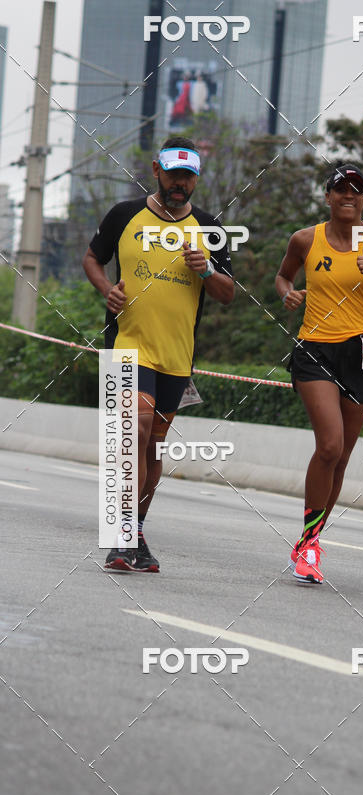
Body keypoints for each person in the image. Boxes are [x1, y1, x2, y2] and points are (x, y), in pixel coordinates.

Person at [83, 135, 235, 572]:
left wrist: (205, 267)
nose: (179, 185)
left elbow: (228, 293)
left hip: (176, 354)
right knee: (136, 426)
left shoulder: (209, 229)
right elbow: (93, 259)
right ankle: (120, 536)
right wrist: (106, 289)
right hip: (126, 344)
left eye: (187, 178)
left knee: (152, 447)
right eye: (172, 175)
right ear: (156, 170)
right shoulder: (125, 215)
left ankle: (136, 531)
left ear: (196, 181)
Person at [276, 164, 363, 584]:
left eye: (357, 190)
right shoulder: (305, 239)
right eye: (340, 190)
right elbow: (283, 276)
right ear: (328, 197)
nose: (348, 196)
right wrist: (288, 293)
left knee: (344, 457)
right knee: (329, 447)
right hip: (315, 348)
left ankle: (309, 540)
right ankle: (310, 543)